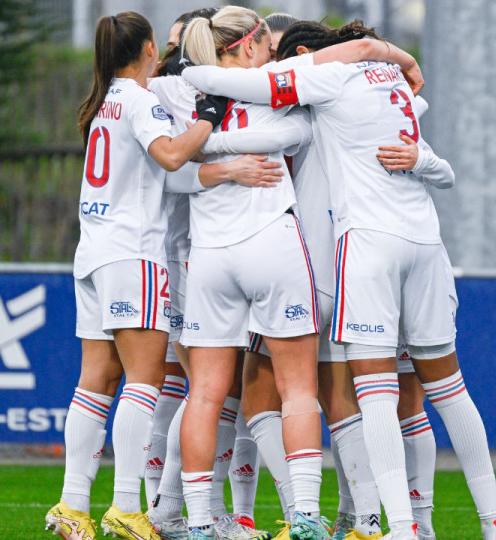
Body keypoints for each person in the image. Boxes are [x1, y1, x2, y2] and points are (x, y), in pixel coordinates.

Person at [185, 19, 496, 540]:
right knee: (442, 392)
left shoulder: (320, 85)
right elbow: (441, 164)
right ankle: (486, 524)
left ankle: (380, 522)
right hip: (425, 244)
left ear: (306, 56)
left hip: (346, 255)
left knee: (355, 395)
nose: (276, 65)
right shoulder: (392, 85)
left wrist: (192, 95)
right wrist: (402, 65)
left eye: (281, 54)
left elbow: (238, 87)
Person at [44, 11, 230, 540]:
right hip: (134, 254)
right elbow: (169, 156)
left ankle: (73, 505)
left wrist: (219, 169)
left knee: (95, 382)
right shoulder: (140, 99)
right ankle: (127, 506)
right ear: (149, 48)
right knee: (144, 382)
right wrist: (207, 120)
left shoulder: (103, 101)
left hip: (93, 253)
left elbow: (158, 175)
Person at [177, 7, 327, 540]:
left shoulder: (185, 94)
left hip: (209, 255)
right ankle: (304, 514)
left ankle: (199, 521)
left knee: (204, 395)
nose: (273, 58)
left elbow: (169, 166)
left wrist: (215, 148)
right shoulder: (272, 88)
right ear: (247, 46)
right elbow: (304, 131)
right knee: (298, 387)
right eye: (266, 47)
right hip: (270, 242)